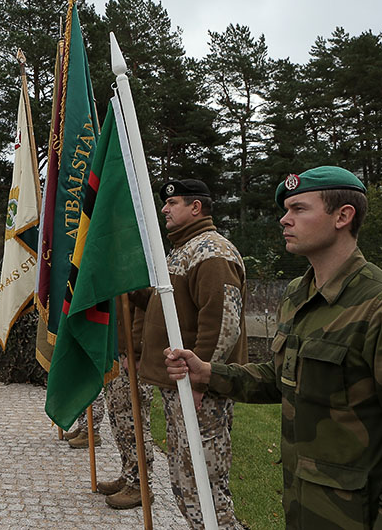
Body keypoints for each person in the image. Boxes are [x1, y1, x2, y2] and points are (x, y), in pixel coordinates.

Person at [166, 166, 382, 529]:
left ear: (343, 216)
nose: (284, 220)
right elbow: (282, 378)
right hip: (304, 505)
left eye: (299, 209)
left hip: (360, 515)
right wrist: (210, 373)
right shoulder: (297, 295)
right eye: (285, 209)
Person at [133, 179, 246, 529]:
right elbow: (168, 307)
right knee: (186, 486)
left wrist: (199, 382)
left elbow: (222, 322)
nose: (164, 209)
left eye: (173, 203)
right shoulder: (183, 248)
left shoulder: (211, 251)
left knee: (206, 488)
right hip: (180, 385)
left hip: (200, 390)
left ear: (196, 207)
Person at [96, 305, 155, 510]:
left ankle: (141, 484)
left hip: (133, 354)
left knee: (134, 420)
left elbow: (143, 308)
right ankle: (128, 473)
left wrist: (136, 350)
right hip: (119, 351)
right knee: (118, 416)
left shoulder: (137, 272)